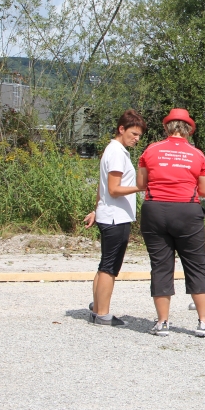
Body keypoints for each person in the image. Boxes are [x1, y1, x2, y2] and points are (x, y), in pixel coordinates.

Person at [136, 108, 205, 337]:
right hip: (186, 211)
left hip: (154, 208)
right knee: (196, 265)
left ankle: (162, 323)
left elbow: (141, 184)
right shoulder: (197, 154)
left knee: (160, 265)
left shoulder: (151, 149)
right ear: (189, 130)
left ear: (167, 127)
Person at [83, 109, 147, 326]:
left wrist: (96, 209)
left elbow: (102, 190)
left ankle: (97, 308)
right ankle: (103, 314)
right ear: (122, 129)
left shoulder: (113, 150)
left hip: (108, 214)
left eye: (139, 135)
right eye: (134, 134)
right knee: (110, 267)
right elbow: (113, 189)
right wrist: (139, 187)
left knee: (104, 265)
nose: (137, 139)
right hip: (115, 218)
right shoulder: (117, 153)